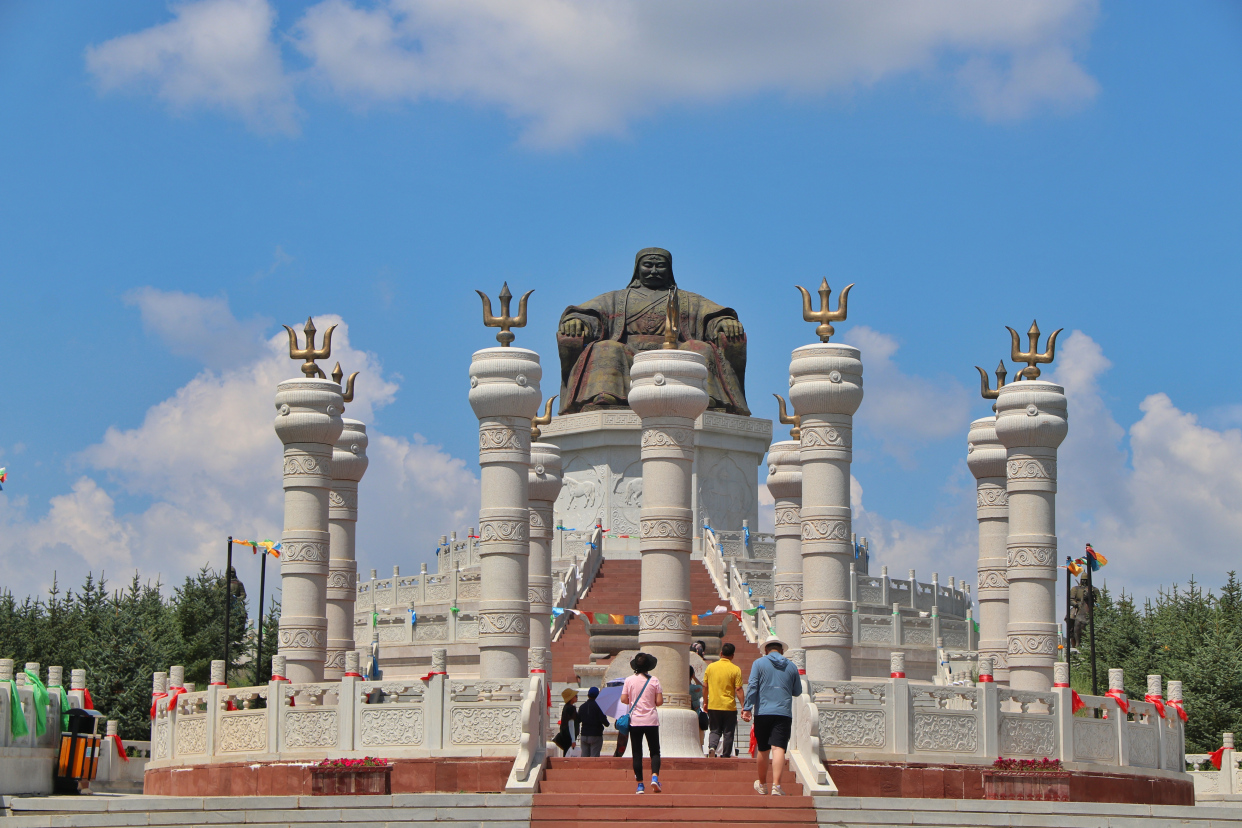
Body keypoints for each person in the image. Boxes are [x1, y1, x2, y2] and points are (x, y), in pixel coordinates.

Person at [741, 635, 802, 796]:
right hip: (783, 713)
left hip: (763, 712)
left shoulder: (759, 663)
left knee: (763, 749)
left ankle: (762, 784)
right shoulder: (791, 666)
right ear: (782, 650)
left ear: (766, 650)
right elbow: (797, 691)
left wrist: (747, 708)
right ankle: (777, 786)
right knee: (779, 748)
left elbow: (753, 686)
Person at [620, 652, 663, 794]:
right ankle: (655, 777)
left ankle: (640, 785)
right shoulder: (654, 680)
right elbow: (659, 702)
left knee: (637, 753)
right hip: (651, 719)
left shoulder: (629, 680)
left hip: (635, 721)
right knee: (654, 751)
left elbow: (624, 699)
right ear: (648, 666)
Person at [704, 641, 744, 758]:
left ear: (721, 653)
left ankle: (712, 747)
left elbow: (705, 686)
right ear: (732, 656)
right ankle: (726, 755)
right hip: (729, 706)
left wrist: (706, 702)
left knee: (715, 730)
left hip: (713, 704)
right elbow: (738, 689)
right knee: (728, 732)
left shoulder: (711, 667)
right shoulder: (735, 669)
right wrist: (743, 706)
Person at [578, 686, 610, 757]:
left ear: (588, 695)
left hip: (584, 734)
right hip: (595, 735)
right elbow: (605, 722)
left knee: (584, 758)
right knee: (594, 758)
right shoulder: (599, 706)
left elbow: (578, 719)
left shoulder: (582, 707)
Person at [556, 687, 581, 756]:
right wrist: (573, 740)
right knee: (568, 755)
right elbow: (571, 724)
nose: (576, 697)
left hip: (565, 735)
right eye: (575, 695)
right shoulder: (571, 708)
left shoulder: (566, 707)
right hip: (569, 736)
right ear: (571, 698)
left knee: (566, 753)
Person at [689, 665, 707, 749]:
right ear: (692, 675)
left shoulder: (680, 689)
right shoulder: (695, 689)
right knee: (698, 742)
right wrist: (694, 677)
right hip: (696, 717)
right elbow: (704, 689)